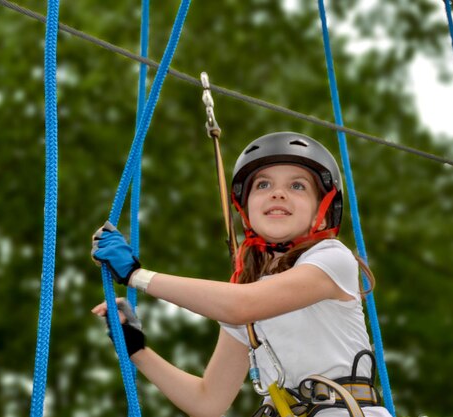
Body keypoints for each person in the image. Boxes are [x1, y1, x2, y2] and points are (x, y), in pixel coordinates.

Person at [91, 132, 389, 417]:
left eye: (297, 186)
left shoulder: (331, 259)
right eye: (263, 185)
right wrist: (136, 349)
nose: (278, 194)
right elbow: (207, 402)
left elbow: (240, 304)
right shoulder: (247, 304)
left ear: (320, 213)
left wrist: (136, 275)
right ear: (246, 209)